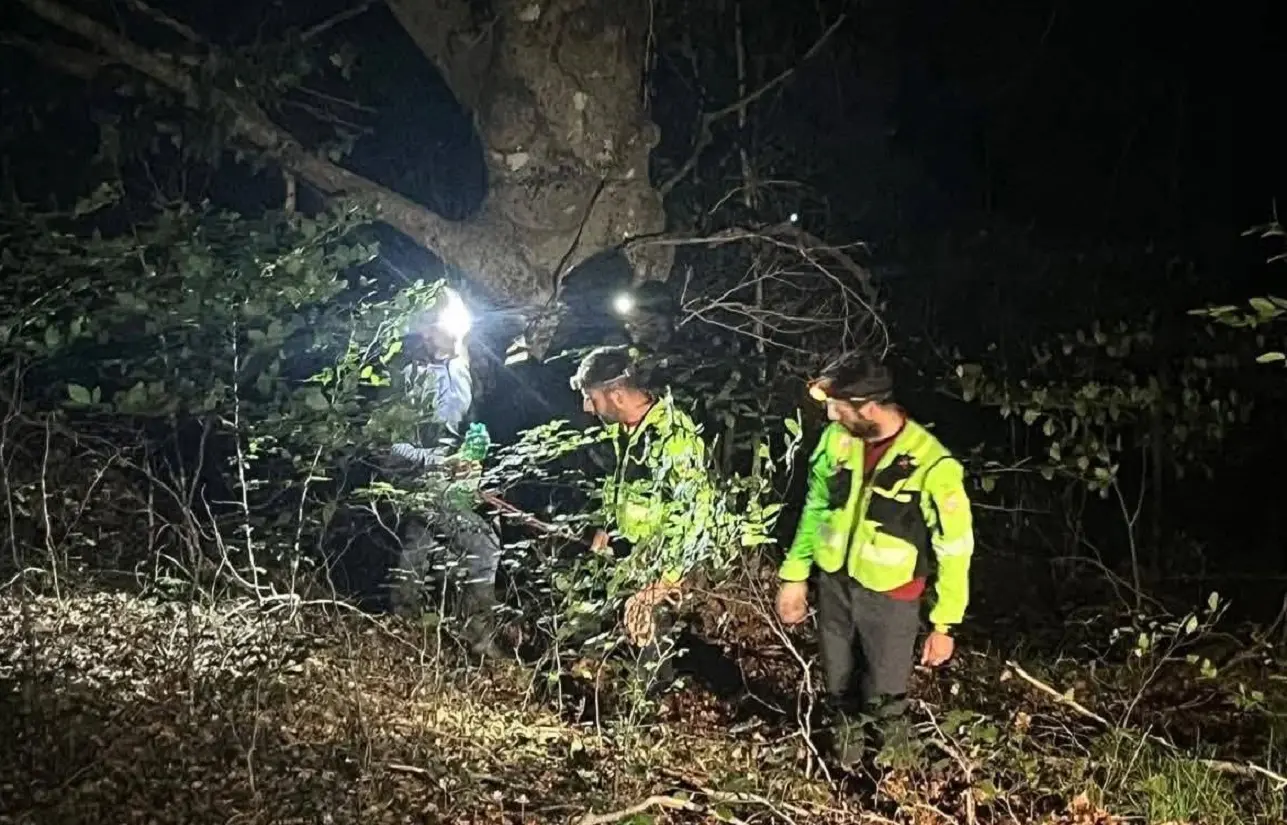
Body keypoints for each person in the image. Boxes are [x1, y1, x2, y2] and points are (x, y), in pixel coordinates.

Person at [775, 354, 974, 766]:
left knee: (886, 701)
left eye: (837, 406)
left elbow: (955, 548)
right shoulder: (837, 440)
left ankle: (891, 787)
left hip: (892, 599)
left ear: (867, 407)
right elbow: (816, 506)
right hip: (835, 587)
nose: (830, 415)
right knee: (838, 690)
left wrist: (945, 624)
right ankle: (842, 775)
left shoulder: (932, 463)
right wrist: (795, 575)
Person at [570, 345, 714, 690]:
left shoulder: (672, 436)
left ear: (617, 394)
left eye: (592, 397)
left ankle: (650, 719)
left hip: (661, 565)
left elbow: (696, 514)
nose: (587, 408)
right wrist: (606, 526)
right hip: (628, 554)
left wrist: (661, 585)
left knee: (651, 657)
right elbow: (620, 486)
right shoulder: (624, 430)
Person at [389, 286, 504, 658]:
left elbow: (466, 423)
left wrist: (473, 452)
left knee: (418, 544)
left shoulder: (463, 366)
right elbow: (392, 444)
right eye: (446, 320)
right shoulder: (409, 377)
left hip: (455, 479)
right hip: (420, 479)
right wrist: (439, 462)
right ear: (426, 330)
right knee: (484, 545)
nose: (456, 327)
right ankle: (478, 634)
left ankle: (401, 625)